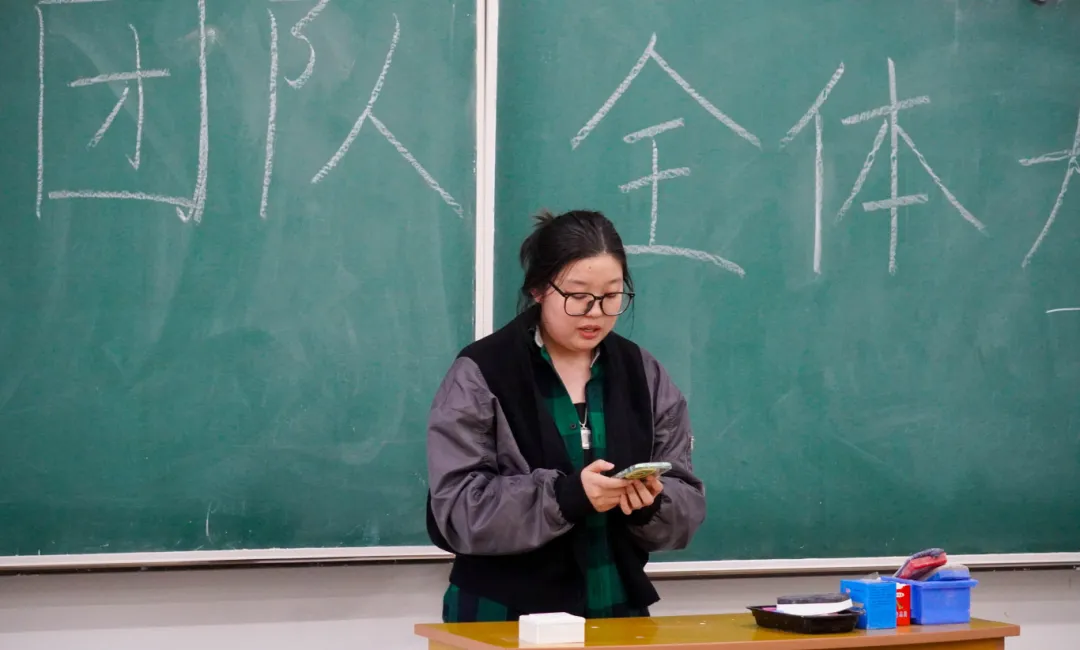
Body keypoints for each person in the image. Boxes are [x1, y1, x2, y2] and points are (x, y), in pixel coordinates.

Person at [425, 209, 706, 622]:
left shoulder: (644, 373)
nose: (596, 312)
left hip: (616, 608)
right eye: (578, 296)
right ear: (539, 289)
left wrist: (651, 504)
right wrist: (565, 497)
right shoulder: (481, 373)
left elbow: (686, 500)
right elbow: (457, 510)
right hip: (504, 614)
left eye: (611, 296)